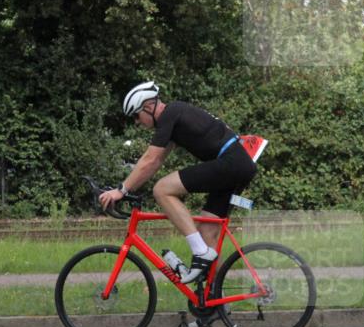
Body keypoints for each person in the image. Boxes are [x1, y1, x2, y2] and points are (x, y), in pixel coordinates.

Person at [97, 81, 257, 283]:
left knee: (162, 189)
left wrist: (120, 190)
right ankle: (212, 304)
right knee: (207, 233)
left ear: (148, 107)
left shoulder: (170, 114)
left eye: (136, 116)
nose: (137, 122)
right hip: (236, 165)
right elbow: (154, 163)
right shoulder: (175, 118)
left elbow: (150, 159)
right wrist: (128, 188)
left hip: (231, 163)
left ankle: (200, 252)